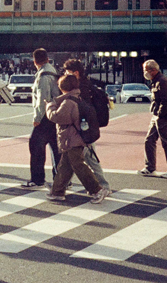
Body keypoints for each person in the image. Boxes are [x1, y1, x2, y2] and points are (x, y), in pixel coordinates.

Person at [44, 74, 111, 204]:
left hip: (71, 139)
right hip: (78, 138)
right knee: (65, 166)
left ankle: (96, 190)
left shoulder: (68, 102)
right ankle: (57, 191)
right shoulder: (77, 98)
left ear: (62, 87)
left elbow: (56, 117)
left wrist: (49, 106)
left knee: (78, 165)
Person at [61, 58, 111, 192]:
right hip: (84, 127)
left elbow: (82, 108)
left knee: (87, 158)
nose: (65, 73)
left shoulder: (80, 88)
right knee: (75, 158)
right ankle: (61, 185)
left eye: (68, 71)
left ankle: (103, 186)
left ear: (76, 73)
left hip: (83, 128)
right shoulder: (86, 84)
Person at [22, 48, 60, 189]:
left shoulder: (43, 75)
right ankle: (61, 179)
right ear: (48, 59)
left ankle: (38, 179)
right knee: (56, 148)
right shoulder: (54, 71)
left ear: (34, 61)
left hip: (45, 117)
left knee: (35, 146)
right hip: (56, 114)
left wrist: (37, 117)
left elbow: (43, 98)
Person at [138, 59, 167, 178]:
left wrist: (160, 114)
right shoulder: (156, 81)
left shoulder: (162, 81)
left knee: (166, 142)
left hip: (163, 116)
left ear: (153, 70)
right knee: (149, 140)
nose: (145, 73)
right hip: (157, 115)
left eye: (146, 70)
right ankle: (150, 167)